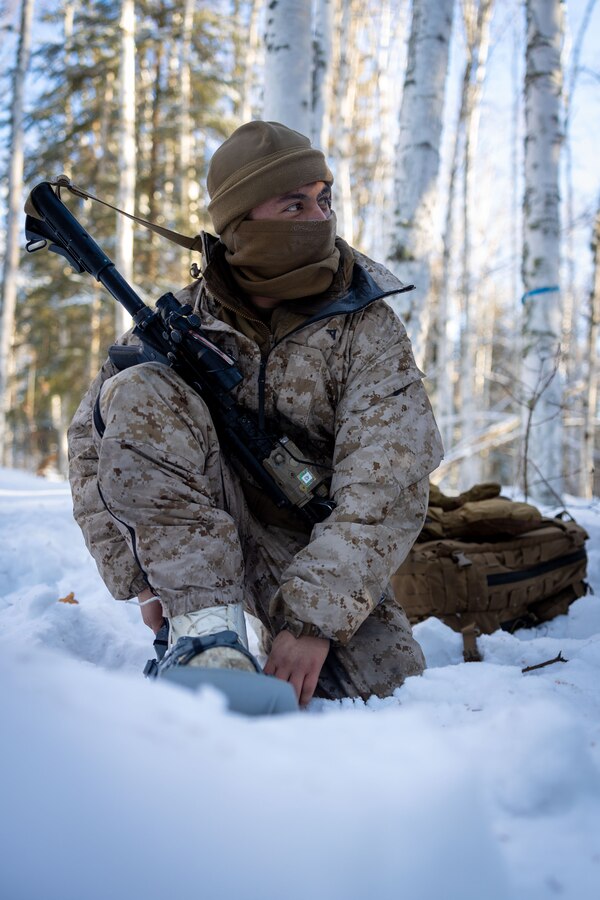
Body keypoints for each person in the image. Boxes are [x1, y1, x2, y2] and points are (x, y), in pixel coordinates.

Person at [68, 120, 443, 707]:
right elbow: (91, 445)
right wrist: (141, 578)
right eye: (294, 205)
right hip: (190, 537)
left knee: (385, 687)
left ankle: (254, 627)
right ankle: (205, 635)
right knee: (139, 392)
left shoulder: (365, 324)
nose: (319, 220)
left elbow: (387, 482)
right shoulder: (178, 325)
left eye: (324, 201)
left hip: (309, 543)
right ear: (240, 226)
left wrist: (313, 618)